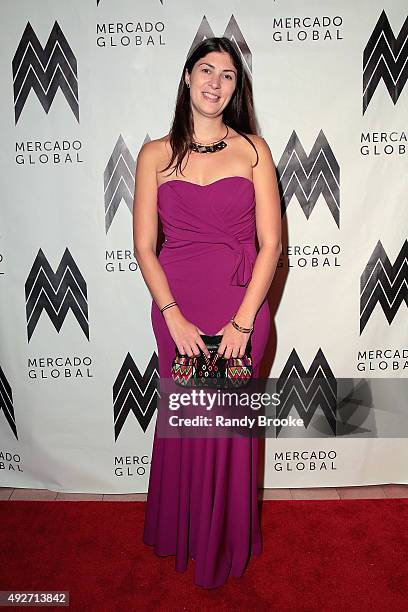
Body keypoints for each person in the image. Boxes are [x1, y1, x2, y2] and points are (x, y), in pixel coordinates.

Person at [132, 36, 282, 589]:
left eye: (228, 75)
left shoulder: (254, 150)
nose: (215, 82)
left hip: (241, 309)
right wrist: (172, 316)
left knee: (227, 427)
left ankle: (224, 541)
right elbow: (145, 246)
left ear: (236, 88)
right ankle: (186, 532)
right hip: (178, 310)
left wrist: (244, 322)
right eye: (206, 70)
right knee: (190, 423)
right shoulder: (155, 153)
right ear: (187, 78)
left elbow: (271, 245)